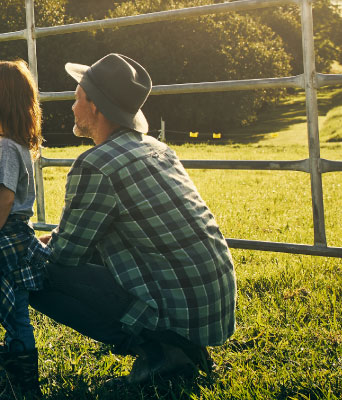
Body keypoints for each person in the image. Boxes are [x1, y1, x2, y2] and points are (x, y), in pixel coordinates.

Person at [32, 53, 238, 386]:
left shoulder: (95, 164)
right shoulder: (156, 148)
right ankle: (181, 346)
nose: (72, 106)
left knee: (31, 271)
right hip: (210, 303)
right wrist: (52, 240)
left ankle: (161, 350)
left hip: (178, 309)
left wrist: (18, 248)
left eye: (77, 98)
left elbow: (65, 255)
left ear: (95, 106)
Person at [0, 60, 48, 399]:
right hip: (13, 236)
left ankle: (23, 386)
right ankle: (12, 379)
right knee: (9, 309)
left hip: (4, 237)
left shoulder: (3, 147)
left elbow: (4, 198)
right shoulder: (14, 145)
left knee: (14, 314)